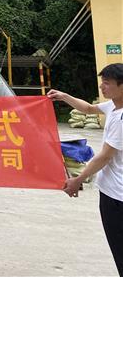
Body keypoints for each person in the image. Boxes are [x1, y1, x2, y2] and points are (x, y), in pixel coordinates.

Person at [48, 62, 123, 276]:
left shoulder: (121, 119)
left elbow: (105, 157)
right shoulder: (113, 106)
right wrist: (64, 96)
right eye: (102, 82)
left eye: (107, 83)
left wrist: (78, 179)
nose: (102, 87)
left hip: (117, 197)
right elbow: (89, 109)